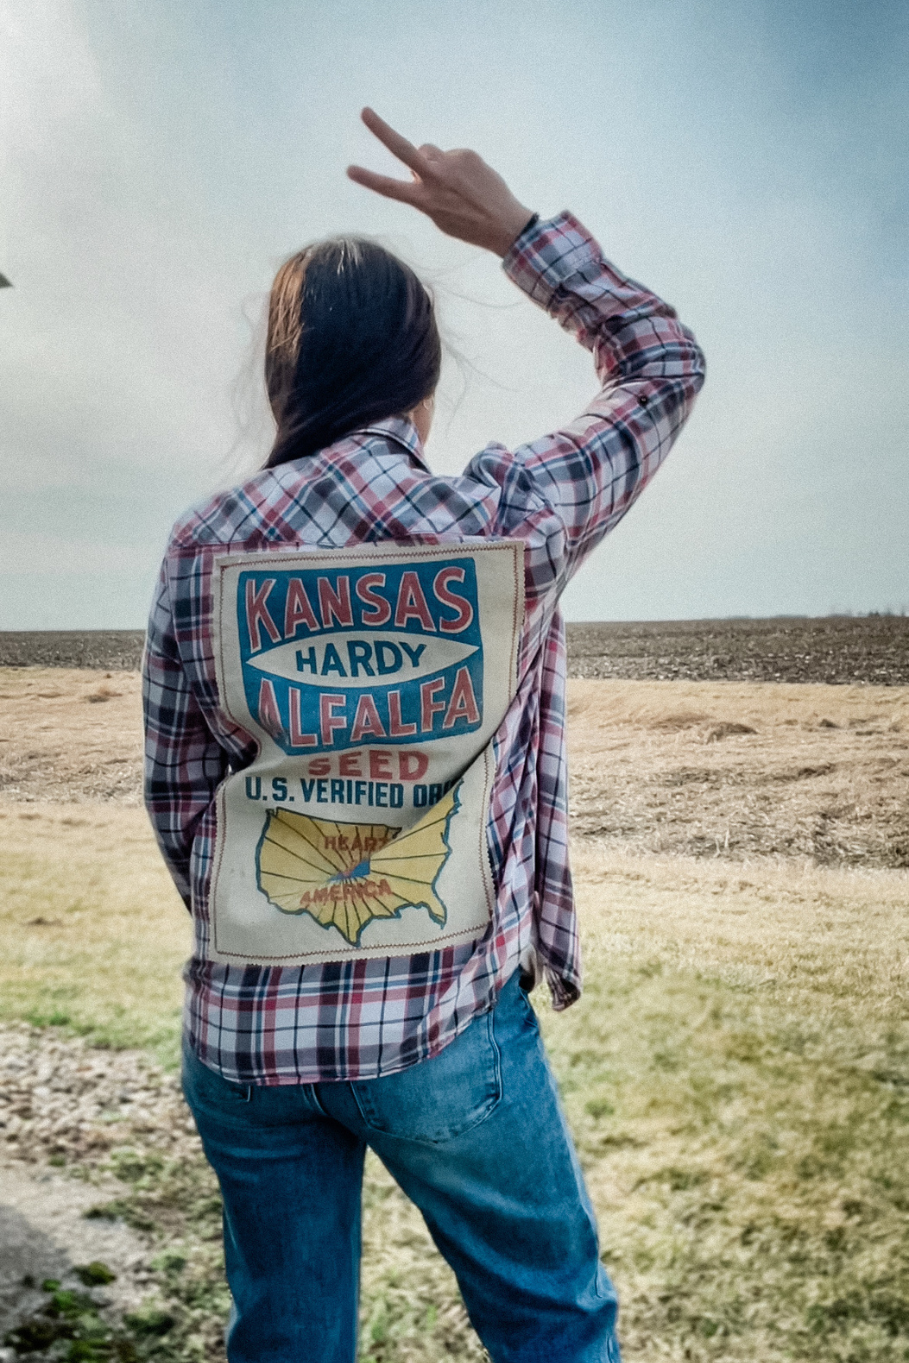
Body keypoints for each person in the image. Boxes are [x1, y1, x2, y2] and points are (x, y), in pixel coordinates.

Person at [142, 107, 705, 1363]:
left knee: (285, 1343)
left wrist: (265, 929)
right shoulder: (507, 516)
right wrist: (513, 231)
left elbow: (178, 791)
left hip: (244, 1041)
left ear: (287, 378)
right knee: (552, 1324)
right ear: (422, 378)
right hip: (444, 1028)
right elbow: (664, 366)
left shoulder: (202, 543)